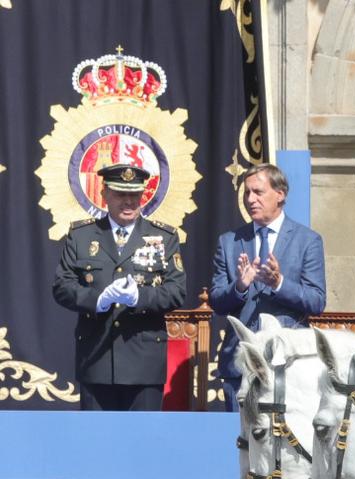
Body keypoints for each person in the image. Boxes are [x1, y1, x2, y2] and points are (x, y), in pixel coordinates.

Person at [51, 164, 188, 411]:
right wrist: (97, 299)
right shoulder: (82, 235)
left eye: (134, 194)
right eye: (120, 194)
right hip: (97, 359)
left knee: (143, 435)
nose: (128, 201)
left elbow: (176, 290)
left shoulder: (164, 237)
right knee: (96, 434)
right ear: (104, 194)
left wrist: (139, 297)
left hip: (144, 362)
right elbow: (62, 286)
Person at [210, 163, 327, 406]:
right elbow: (217, 301)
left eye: (258, 192)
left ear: (280, 194)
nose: (250, 199)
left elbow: (316, 301)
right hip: (240, 363)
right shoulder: (229, 242)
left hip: (288, 363)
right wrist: (240, 286)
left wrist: (279, 283)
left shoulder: (307, 241)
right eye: (247, 192)